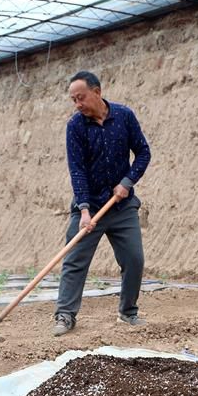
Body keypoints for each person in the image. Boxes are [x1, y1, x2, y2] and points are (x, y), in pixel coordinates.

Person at [52, 71, 151, 336]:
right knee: (75, 260)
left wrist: (127, 182)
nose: (78, 104)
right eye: (73, 100)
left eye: (81, 97)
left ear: (97, 92)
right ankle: (65, 315)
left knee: (134, 259)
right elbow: (77, 171)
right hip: (91, 206)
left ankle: (128, 313)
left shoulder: (124, 116)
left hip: (121, 206)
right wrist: (84, 210)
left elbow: (143, 153)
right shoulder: (75, 126)